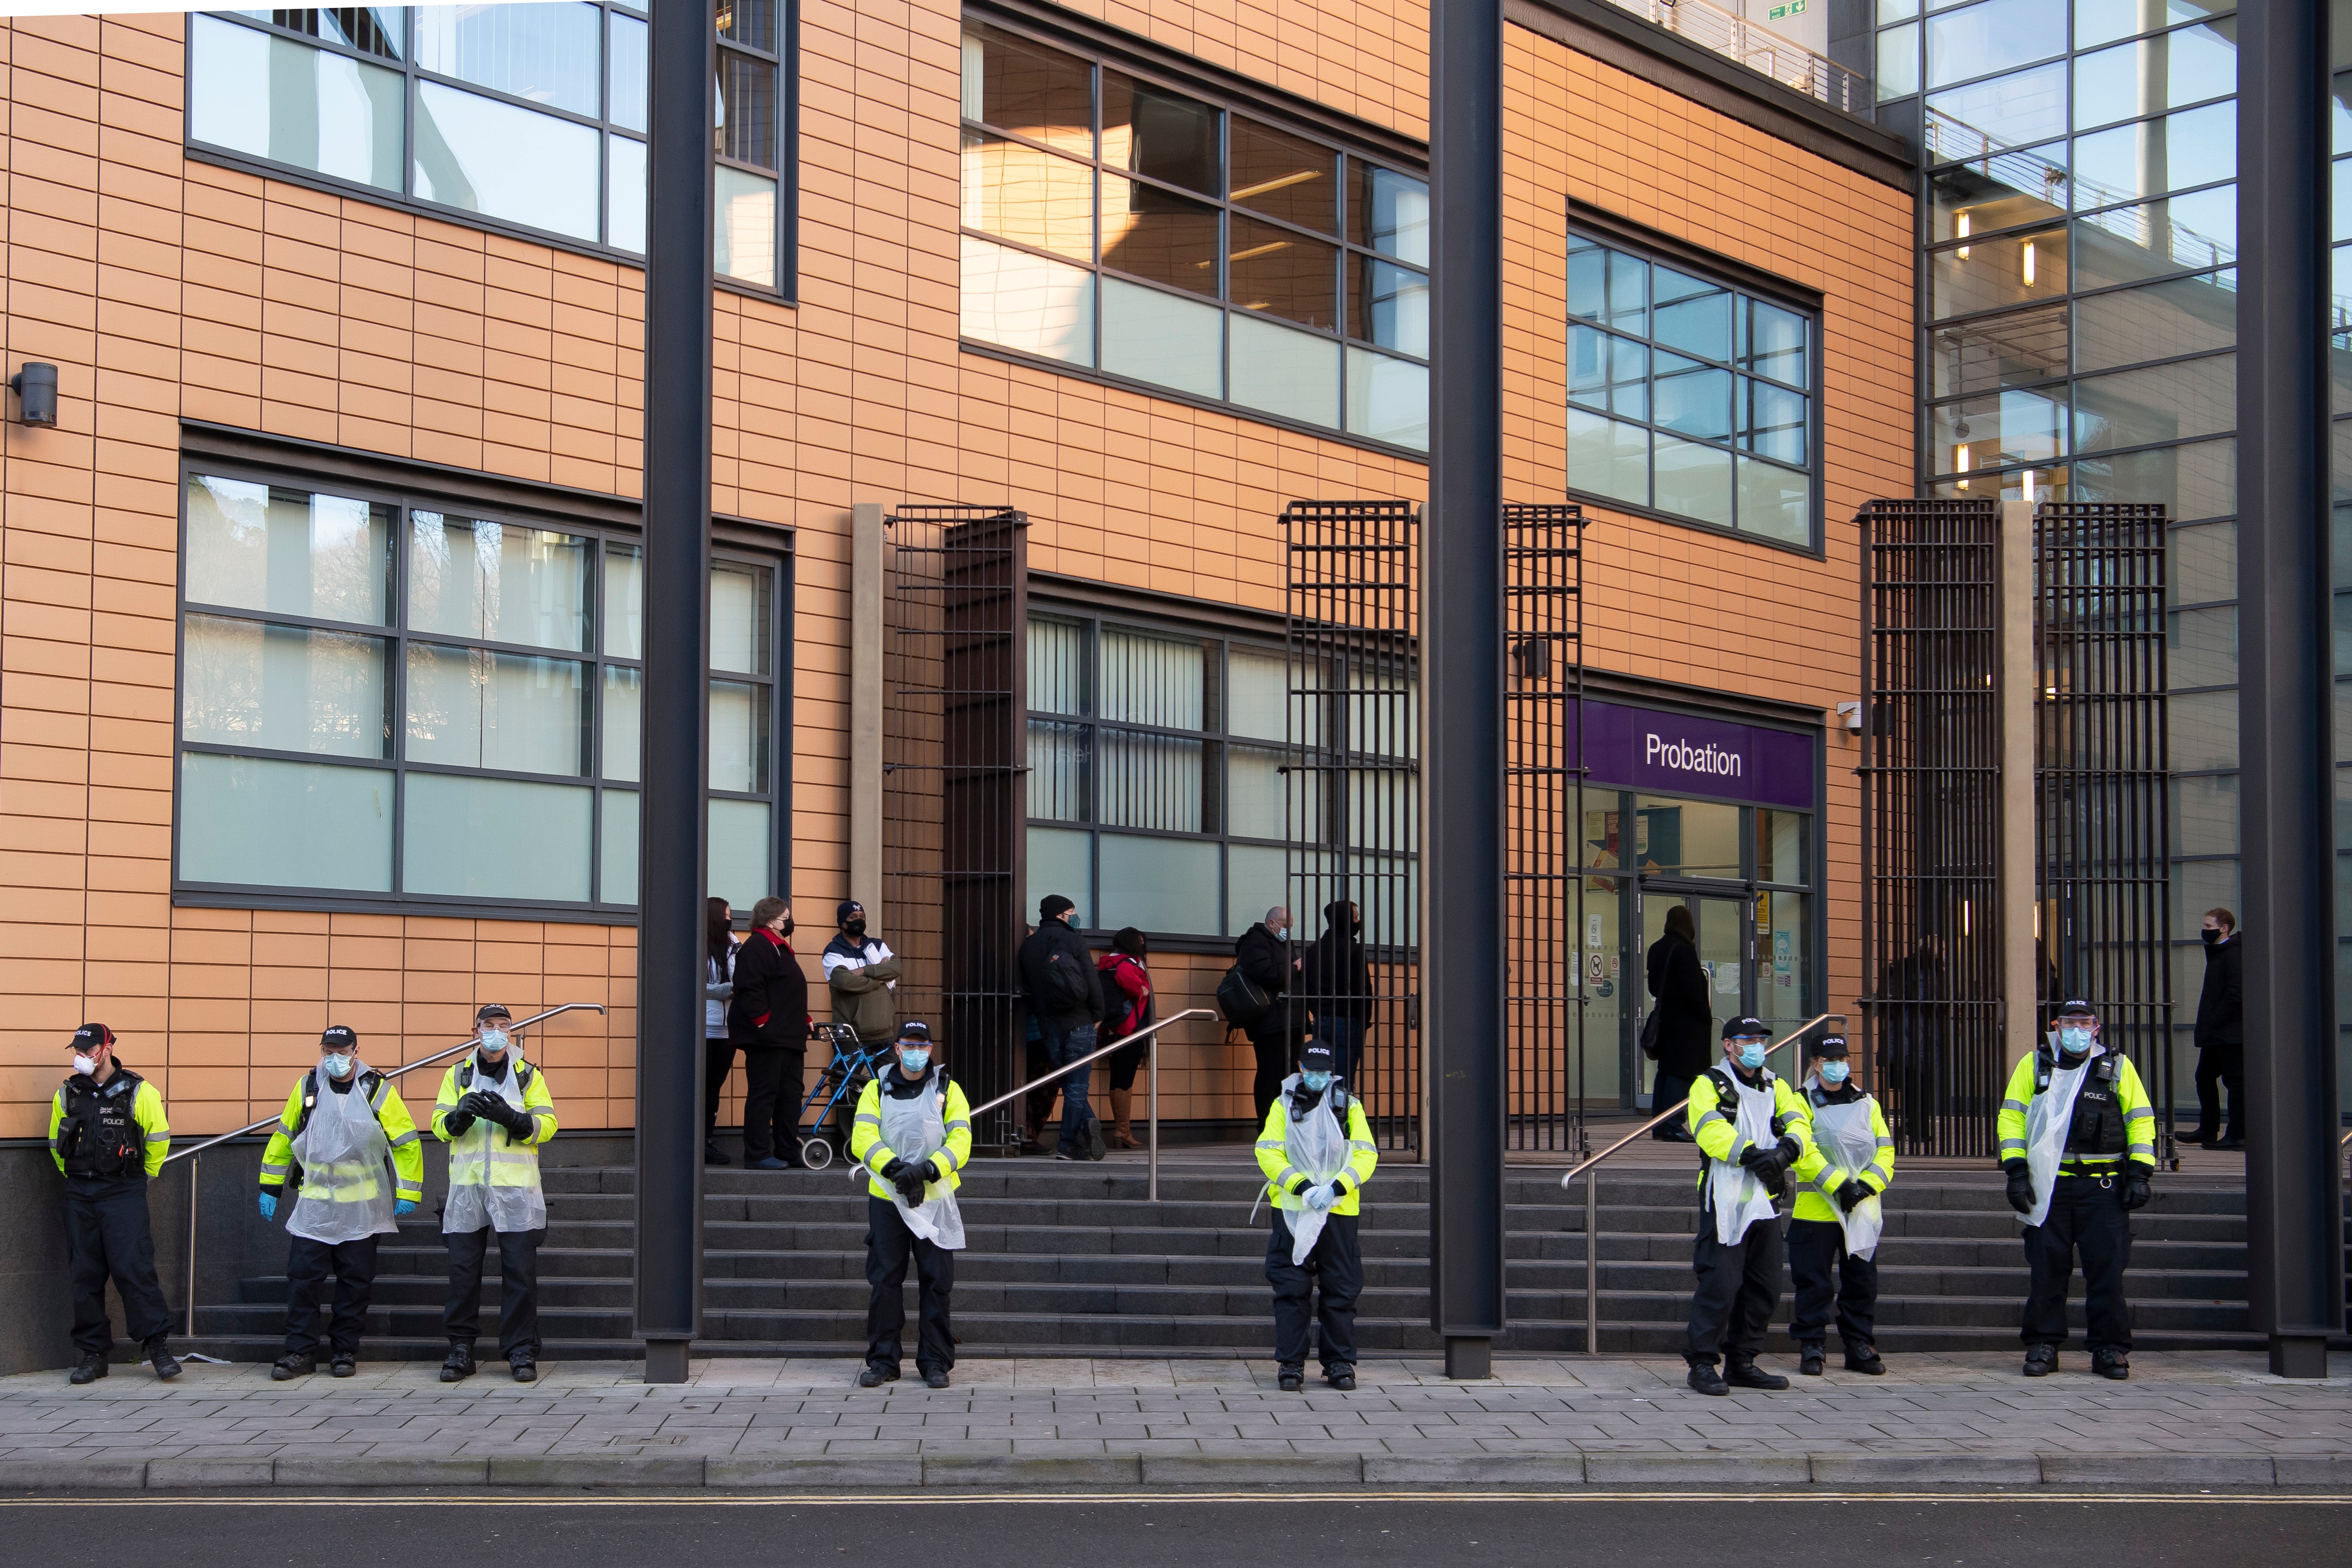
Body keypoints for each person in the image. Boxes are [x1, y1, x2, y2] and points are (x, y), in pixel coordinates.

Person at [1997, 997, 2156, 1381]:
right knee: (2046, 1270)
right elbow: (2011, 1117)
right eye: (2069, 1023)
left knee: (2106, 1271)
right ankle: (2043, 1344)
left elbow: (2140, 1120)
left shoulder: (2116, 1067)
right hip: (2049, 1184)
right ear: (2055, 1025)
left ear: (2096, 1028)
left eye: (2084, 1023)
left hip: (2103, 1185)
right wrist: (2016, 1171)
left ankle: (2110, 1349)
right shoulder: (2034, 1064)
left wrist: (2139, 1172)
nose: (2076, 1030)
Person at [259, 1025, 424, 1379]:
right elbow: (285, 1135)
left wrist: (409, 1190)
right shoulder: (308, 1087)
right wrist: (269, 1185)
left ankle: (344, 1351)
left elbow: (406, 1141)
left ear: (356, 1050)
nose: (335, 1058)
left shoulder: (375, 1089)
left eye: (342, 1051)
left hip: (361, 1209)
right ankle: (299, 1352)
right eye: (328, 1051)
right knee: (303, 1281)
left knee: (355, 1283)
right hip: (316, 1206)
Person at [1682, 1015, 1812, 1396]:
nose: (1756, 1045)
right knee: (1720, 1283)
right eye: (1747, 1039)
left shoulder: (1777, 1084)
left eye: (1760, 1039)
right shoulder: (1708, 1083)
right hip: (1725, 1197)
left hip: (1765, 1198)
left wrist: (1786, 1151)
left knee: (1765, 1286)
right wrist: (1754, 1155)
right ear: (1728, 1044)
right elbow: (1709, 1129)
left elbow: (1799, 1123)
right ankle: (1702, 1363)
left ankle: (1742, 1361)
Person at [432, 1003, 559, 1383]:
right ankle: (460, 1349)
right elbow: (438, 1126)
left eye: (503, 1025)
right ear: (476, 1031)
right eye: (489, 1025)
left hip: (516, 1190)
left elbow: (548, 1124)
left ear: (511, 1032)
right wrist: (458, 1116)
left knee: (520, 1273)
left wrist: (514, 1119)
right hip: (468, 1189)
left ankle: (521, 1351)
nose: (496, 1031)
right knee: (462, 1273)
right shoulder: (457, 1074)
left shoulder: (527, 1075)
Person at [49, 1023, 177, 1385]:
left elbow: (158, 1141)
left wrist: (138, 1180)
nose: (82, 1056)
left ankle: (158, 1348)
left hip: (122, 1192)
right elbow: (56, 1144)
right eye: (78, 1049)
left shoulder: (139, 1090)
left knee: (133, 1268)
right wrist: (78, 1179)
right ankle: (93, 1354)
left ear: (106, 1049)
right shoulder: (69, 1093)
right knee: (84, 1274)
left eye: (89, 1049)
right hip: (79, 1193)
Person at [848, 1021, 972, 1389]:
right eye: (908, 1045)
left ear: (930, 1049)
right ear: (897, 1049)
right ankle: (883, 1360)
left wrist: (927, 1171)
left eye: (922, 1045)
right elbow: (863, 1135)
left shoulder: (948, 1089)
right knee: (885, 1280)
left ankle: (935, 1362)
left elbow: (962, 1137)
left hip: (934, 1198)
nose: (916, 1051)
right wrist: (897, 1169)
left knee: (937, 1281)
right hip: (888, 1197)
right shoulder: (876, 1089)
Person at [1254, 1039, 1377, 1392]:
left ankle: (1339, 1362)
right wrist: (1303, 1186)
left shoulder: (1348, 1106)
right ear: (1300, 1067)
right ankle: (1290, 1364)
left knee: (1341, 1287)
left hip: (1338, 1211)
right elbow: (1268, 1153)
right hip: (1294, 1209)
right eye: (1312, 1070)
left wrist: (1336, 1188)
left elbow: (1366, 1155)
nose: (1317, 1077)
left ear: (1332, 1071)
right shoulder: (1283, 1105)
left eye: (1324, 1071)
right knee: (1291, 1288)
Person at [1785, 1032, 1891, 1377]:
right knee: (1813, 1283)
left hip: (1860, 1207)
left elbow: (1885, 1150)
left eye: (1842, 1059)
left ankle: (1858, 1345)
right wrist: (1839, 1185)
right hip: (1816, 1209)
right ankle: (1812, 1345)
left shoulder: (1867, 1102)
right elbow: (1802, 1151)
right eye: (1830, 1060)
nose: (1838, 1065)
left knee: (1861, 1281)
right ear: (1815, 1064)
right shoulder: (1799, 1101)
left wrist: (1865, 1185)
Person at [1017, 894, 1106, 1160]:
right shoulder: (1074, 940)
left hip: (1048, 1025)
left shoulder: (1028, 947)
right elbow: (1092, 980)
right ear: (1060, 915)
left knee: (1069, 1082)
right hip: (1079, 1021)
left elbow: (1031, 989)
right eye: (1071, 912)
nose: (1075, 917)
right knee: (1078, 1084)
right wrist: (1099, 1014)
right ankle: (1068, 1143)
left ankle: (1088, 1122)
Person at [732, 896, 811, 1170]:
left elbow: (787, 992)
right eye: (785, 917)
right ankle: (757, 1154)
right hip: (768, 1038)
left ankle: (788, 1150)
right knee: (764, 1094)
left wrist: (805, 1020)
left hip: (788, 1036)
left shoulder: (778, 947)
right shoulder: (758, 947)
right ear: (769, 921)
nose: (789, 922)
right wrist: (764, 1023)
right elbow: (749, 988)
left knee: (790, 1095)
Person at [1644, 905, 1710, 1141]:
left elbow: (1653, 987)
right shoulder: (1684, 950)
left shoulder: (1656, 948)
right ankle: (1673, 1125)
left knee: (1665, 1072)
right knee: (1681, 1074)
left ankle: (1659, 1125)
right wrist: (1706, 1015)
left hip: (1666, 1021)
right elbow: (1693, 991)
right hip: (1687, 1025)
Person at [1235, 906, 1304, 1126]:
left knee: (1290, 1074)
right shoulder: (1254, 942)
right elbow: (1266, 975)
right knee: (1270, 1074)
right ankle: (1266, 1125)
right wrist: (1294, 968)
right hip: (1269, 1022)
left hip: (1289, 1019)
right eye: (1285, 926)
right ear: (1272, 924)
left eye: (1291, 927)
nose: (1288, 932)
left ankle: (1285, 1124)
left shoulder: (1282, 943)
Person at [1879, 933, 1949, 1148]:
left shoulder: (1899, 969)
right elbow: (1930, 1002)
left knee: (1910, 1083)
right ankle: (1917, 1127)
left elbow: (1887, 1002)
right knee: (1922, 1083)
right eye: (1942, 950)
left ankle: (1911, 1124)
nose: (1944, 955)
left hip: (1902, 1036)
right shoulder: (1930, 972)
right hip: (1919, 1036)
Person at [2183, 908, 2244, 1150]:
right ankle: (2208, 1129)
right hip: (2217, 1033)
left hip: (2229, 1033)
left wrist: (2215, 1020)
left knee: (2235, 1082)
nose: (2204, 931)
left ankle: (2238, 1134)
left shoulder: (2232, 954)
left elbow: (2235, 994)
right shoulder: (2219, 951)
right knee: (2205, 1077)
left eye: (2209, 927)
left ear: (2224, 928)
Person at [1301, 900, 1372, 1089]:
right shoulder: (1354, 950)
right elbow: (1364, 990)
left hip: (1321, 1021)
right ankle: (1340, 1117)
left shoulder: (1313, 950)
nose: (1358, 922)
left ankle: (1322, 1115)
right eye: (1355, 917)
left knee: (1320, 1077)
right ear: (1346, 920)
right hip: (1348, 1021)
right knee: (1343, 1079)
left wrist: (1317, 1012)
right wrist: (1365, 1021)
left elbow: (1306, 988)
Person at [1096, 927, 1155, 1150]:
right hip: (1130, 1030)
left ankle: (1122, 1130)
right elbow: (1128, 981)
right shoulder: (1128, 963)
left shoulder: (1108, 963)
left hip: (1113, 1030)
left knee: (1117, 1079)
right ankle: (1123, 1130)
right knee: (1125, 1080)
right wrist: (1143, 990)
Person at [824, 900, 902, 1049]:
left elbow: (896, 967)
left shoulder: (877, 946)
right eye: (853, 917)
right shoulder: (833, 952)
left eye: (862, 916)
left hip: (884, 1033)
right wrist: (879, 980)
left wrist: (863, 971)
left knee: (889, 1072)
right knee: (847, 1073)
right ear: (842, 923)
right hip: (850, 1035)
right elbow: (845, 982)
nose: (859, 920)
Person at [704, 897, 740, 1167]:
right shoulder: (695, 942)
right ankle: (698, 1142)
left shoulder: (733, 944)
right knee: (700, 1087)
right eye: (726, 914)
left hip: (728, 1030)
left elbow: (744, 977)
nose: (730, 918)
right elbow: (694, 985)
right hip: (703, 1028)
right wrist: (727, 990)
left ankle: (707, 1139)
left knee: (715, 1087)